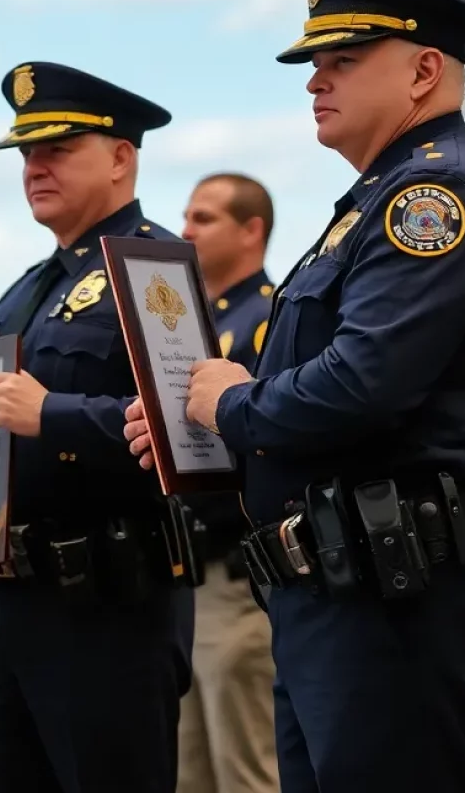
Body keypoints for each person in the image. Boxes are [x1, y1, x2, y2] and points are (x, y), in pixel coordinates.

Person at [125, 0, 465, 793]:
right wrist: (197, 441)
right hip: (345, 588)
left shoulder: (437, 199)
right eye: (316, 66)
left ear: (426, 70)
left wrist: (229, 403)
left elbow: (361, 386)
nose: (317, 83)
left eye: (343, 62)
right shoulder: (364, 209)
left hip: (413, 590)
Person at [0, 61, 195, 793]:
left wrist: (54, 416)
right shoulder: (25, 292)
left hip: (104, 606)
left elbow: (191, 436)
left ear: (122, 157)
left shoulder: (154, 266)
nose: (35, 167)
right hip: (8, 603)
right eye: (28, 154)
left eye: (58, 149)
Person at [178, 173, 279, 793]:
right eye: (186, 215)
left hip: (237, 574)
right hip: (188, 573)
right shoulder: (196, 322)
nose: (185, 230)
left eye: (204, 217)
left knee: (246, 771)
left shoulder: (267, 318)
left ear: (252, 231)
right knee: (189, 770)